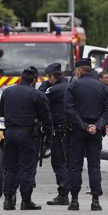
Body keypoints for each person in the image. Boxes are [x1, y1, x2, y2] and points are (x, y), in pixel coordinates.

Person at [64, 59, 108, 211]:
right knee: (94, 166)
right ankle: (95, 200)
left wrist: (84, 126)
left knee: (74, 166)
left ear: (79, 70)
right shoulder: (103, 88)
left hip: (77, 131)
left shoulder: (73, 86)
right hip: (95, 133)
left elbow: (69, 109)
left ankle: (74, 200)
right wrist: (97, 126)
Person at [0, 68, 52, 211]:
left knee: (10, 168)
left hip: (9, 134)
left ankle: (8, 200)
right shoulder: (37, 95)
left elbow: (2, 112)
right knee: (26, 169)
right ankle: (26, 201)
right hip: (28, 135)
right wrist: (49, 137)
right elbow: (46, 118)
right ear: (34, 81)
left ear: (20, 78)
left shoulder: (7, 92)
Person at [38, 63, 70, 206]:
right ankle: (66, 192)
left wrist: (44, 84)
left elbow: (40, 97)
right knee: (65, 161)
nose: (47, 79)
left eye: (48, 77)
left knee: (58, 161)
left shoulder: (57, 89)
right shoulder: (67, 86)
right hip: (67, 130)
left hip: (60, 131)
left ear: (52, 76)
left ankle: (63, 193)